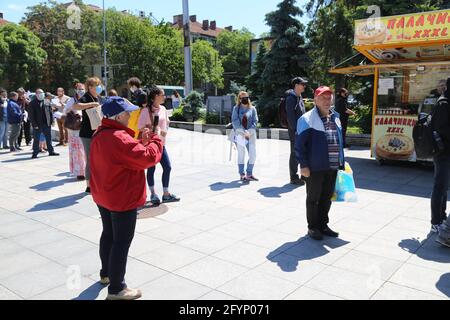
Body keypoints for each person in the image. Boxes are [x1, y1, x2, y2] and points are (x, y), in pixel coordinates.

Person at [90, 96, 164, 300]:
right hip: (121, 197)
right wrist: (157, 140)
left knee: (108, 234)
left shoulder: (101, 132)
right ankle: (116, 289)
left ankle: (106, 274)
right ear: (120, 115)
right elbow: (147, 158)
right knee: (121, 242)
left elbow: (123, 156)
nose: (131, 115)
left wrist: (141, 142)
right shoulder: (118, 137)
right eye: (129, 113)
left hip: (103, 194)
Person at [296, 86, 344, 241]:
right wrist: (303, 165)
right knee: (313, 198)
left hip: (333, 165)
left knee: (327, 197)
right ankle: (313, 227)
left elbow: (338, 141)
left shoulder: (335, 116)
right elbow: (299, 146)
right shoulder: (306, 119)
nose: (326, 100)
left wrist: (342, 161)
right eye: (322, 97)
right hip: (315, 167)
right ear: (315, 100)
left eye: (329, 97)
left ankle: (323, 225)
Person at [138, 86, 180, 204]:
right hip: (151, 144)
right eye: (162, 95)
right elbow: (139, 126)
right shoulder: (146, 111)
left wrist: (164, 130)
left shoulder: (163, 108)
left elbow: (166, 123)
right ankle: (153, 194)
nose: (164, 97)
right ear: (156, 97)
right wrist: (152, 128)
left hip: (161, 143)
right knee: (151, 169)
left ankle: (166, 194)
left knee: (167, 167)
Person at [72, 77, 103, 193]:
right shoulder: (86, 97)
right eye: (97, 85)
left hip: (97, 132)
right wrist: (91, 104)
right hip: (87, 133)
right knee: (90, 159)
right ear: (90, 87)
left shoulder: (98, 97)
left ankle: (97, 180)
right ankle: (89, 186)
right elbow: (75, 106)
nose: (99, 87)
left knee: (98, 158)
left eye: (99, 85)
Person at [430, 78, 450, 233]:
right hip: (443, 152)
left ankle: (442, 216)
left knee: (444, 187)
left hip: (446, 151)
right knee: (440, 186)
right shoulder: (444, 103)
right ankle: (436, 220)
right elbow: (442, 129)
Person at [231, 91, 259, 182]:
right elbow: (235, 121)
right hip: (240, 135)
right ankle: (242, 174)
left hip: (251, 134)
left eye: (246, 97)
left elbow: (255, 121)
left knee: (253, 154)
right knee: (241, 154)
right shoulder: (236, 108)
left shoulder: (253, 109)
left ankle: (249, 173)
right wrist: (243, 132)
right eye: (242, 98)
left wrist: (249, 131)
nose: (244, 99)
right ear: (239, 99)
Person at [286, 77, 308, 185]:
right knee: (294, 154)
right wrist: (296, 131)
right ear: (296, 85)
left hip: (302, 130)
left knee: (303, 152)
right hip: (295, 132)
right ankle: (293, 177)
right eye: (302, 84)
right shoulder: (291, 99)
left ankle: (303, 175)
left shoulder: (299, 97)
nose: (304, 86)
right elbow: (290, 118)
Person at [28, 89, 60, 159]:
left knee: (49, 138)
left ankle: (51, 151)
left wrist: (52, 121)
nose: (41, 94)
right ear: (36, 94)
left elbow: (50, 112)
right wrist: (34, 124)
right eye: (39, 93)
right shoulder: (32, 103)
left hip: (46, 124)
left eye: (42, 93)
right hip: (37, 125)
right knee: (36, 139)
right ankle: (35, 153)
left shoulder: (46, 101)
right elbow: (31, 115)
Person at [64, 83, 86, 180]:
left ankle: (85, 170)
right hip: (74, 128)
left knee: (84, 150)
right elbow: (65, 111)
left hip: (84, 127)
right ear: (76, 90)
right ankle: (79, 172)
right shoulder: (72, 100)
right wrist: (73, 110)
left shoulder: (86, 99)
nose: (81, 91)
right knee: (76, 150)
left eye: (82, 89)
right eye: (79, 89)